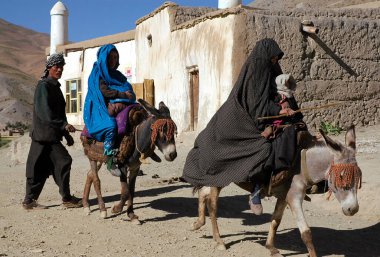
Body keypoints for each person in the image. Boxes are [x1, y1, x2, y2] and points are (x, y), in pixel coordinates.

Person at [182, 38, 293, 215]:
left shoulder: (272, 69)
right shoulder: (255, 72)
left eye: (276, 59)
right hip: (246, 119)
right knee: (264, 148)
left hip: (267, 115)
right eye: (272, 58)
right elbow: (256, 106)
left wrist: (286, 104)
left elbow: (281, 90)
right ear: (265, 57)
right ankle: (256, 190)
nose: (274, 62)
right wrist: (279, 111)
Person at [22, 53, 82, 210]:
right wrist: (63, 126)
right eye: (56, 66)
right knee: (38, 168)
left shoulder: (55, 87)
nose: (60, 69)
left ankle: (65, 198)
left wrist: (66, 134)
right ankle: (31, 201)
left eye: (61, 67)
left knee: (59, 163)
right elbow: (45, 113)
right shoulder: (44, 86)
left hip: (51, 136)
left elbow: (58, 114)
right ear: (49, 68)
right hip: (42, 136)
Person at [83, 44, 136, 174]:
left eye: (115, 57)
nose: (113, 61)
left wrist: (126, 95)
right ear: (104, 58)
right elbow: (105, 92)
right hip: (98, 107)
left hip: (115, 103)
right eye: (110, 58)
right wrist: (123, 95)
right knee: (111, 126)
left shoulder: (117, 75)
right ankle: (110, 159)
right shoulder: (97, 74)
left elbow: (127, 88)